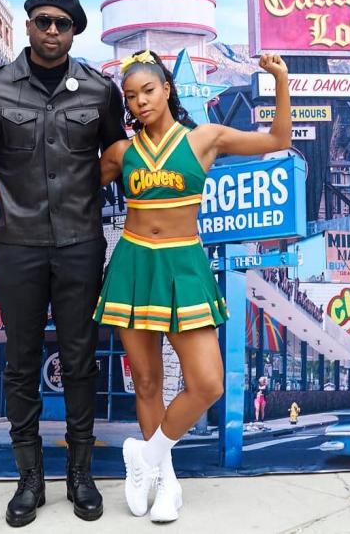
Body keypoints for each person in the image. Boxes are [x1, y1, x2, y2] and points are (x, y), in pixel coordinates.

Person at [0, 0, 126, 527]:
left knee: (79, 364)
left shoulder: (99, 90)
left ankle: (80, 475)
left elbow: (115, 156)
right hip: (18, 247)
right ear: (26, 26)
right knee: (20, 367)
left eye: (62, 24)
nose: (51, 31)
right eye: (43, 21)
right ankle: (29, 480)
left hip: (80, 246)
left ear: (74, 32)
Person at [94, 50, 291, 522]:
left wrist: (281, 81)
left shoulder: (205, 138)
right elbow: (68, 186)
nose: (140, 102)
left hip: (184, 265)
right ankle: (166, 485)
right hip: (133, 264)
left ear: (167, 89)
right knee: (146, 382)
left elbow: (277, 138)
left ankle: (145, 456)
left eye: (148, 91)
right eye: (131, 96)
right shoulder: (121, 152)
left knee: (207, 382)